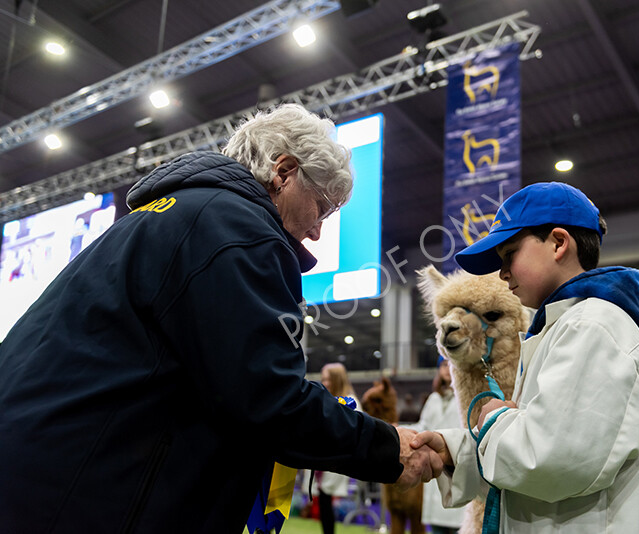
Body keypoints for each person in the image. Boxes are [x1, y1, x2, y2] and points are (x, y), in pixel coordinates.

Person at [0, 104, 441, 533]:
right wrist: (386, 448)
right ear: (284, 172)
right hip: (81, 496)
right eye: (321, 207)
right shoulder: (239, 230)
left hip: (42, 475)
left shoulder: (161, 218)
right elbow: (269, 400)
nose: (317, 231)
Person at [412, 182, 639, 533]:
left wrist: (493, 418)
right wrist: (454, 450)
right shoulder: (560, 329)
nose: (503, 273)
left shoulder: (592, 327)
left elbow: (552, 458)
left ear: (558, 243)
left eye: (510, 255)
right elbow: (546, 438)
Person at [416, 357, 465, 534]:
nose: (447, 368)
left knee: (461, 523)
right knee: (437, 526)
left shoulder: (467, 394)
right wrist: (398, 429)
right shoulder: (434, 399)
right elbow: (422, 428)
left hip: (459, 464)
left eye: (451, 362)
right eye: (443, 364)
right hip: (435, 467)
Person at [313, 363, 362, 534]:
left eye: (328, 379)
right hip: (320, 461)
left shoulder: (350, 402)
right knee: (324, 503)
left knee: (328, 502)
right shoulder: (324, 400)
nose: (325, 383)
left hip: (336, 460)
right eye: (323, 379)